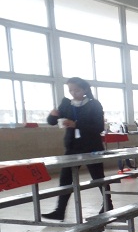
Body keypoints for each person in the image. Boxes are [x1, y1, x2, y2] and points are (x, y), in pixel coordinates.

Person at [43, 77, 113, 220]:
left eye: (77, 90)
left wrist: (76, 124)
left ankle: (108, 204)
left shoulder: (94, 105)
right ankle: (60, 210)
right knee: (65, 179)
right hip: (72, 147)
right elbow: (51, 122)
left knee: (98, 177)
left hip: (92, 147)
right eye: (71, 90)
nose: (74, 93)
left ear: (84, 89)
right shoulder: (66, 104)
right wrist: (52, 115)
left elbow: (99, 127)